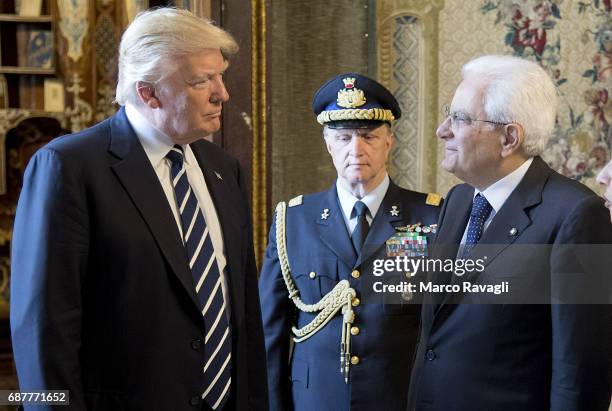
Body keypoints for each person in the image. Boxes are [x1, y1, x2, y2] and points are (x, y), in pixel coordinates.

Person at [10, 8, 268, 410]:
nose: (223, 93)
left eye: (220, 75)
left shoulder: (224, 169)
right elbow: (42, 331)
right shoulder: (68, 167)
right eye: (202, 81)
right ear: (149, 92)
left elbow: (244, 315)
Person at [407, 55, 612, 411]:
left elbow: (579, 371)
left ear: (509, 137)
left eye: (459, 118)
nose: (443, 130)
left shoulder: (577, 215)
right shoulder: (457, 201)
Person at [259, 73, 442, 411]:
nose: (355, 150)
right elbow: (269, 335)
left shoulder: (433, 217)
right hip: (315, 400)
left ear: (389, 140)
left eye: (368, 136)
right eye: (343, 138)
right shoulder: (293, 221)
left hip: (401, 397)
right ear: (328, 143)